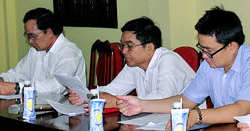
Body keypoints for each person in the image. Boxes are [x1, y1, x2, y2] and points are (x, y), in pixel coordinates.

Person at [117, 7, 250, 126]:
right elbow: (186, 101)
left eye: (209, 50)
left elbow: (242, 110)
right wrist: (142, 105)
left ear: (232, 47)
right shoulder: (211, 63)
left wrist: (197, 116)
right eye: (202, 49)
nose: (204, 56)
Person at [67, 17, 195, 107]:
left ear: (149, 47)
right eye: (122, 45)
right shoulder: (134, 64)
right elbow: (113, 89)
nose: (124, 51)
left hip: (190, 124)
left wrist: (118, 102)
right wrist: (85, 96)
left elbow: (164, 98)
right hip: (154, 121)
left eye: (129, 46)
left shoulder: (168, 60)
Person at [0, 8, 85, 96]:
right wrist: (2, 79)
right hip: (37, 105)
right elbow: (18, 74)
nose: (30, 41)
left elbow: (58, 86)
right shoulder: (35, 50)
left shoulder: (69, 52)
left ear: (49, 32)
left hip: (65, 106)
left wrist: (16, 88)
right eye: (28, 36)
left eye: (33, 36)